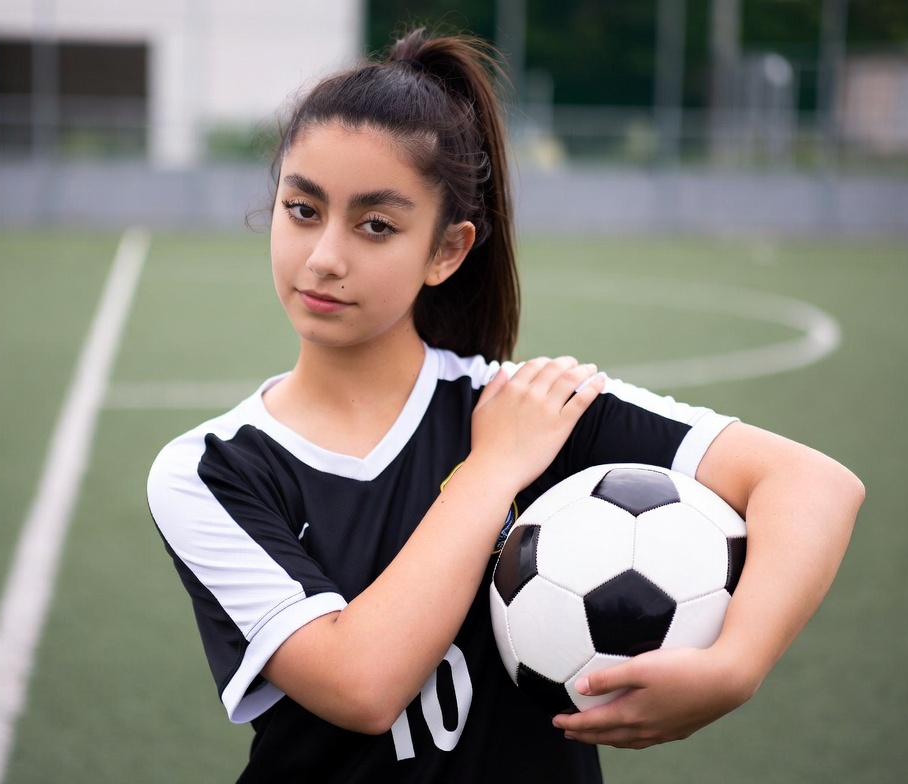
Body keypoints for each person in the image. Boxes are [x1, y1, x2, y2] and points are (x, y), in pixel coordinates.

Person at [146, 27, 864, 783]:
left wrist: (736, 666)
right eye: (302, 209)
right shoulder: (209, 471)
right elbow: (360, 685)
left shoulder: (536, 408)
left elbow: (814, 484)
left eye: (376, 226)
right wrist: (493, 471)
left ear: (447, 252)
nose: (325, 255)